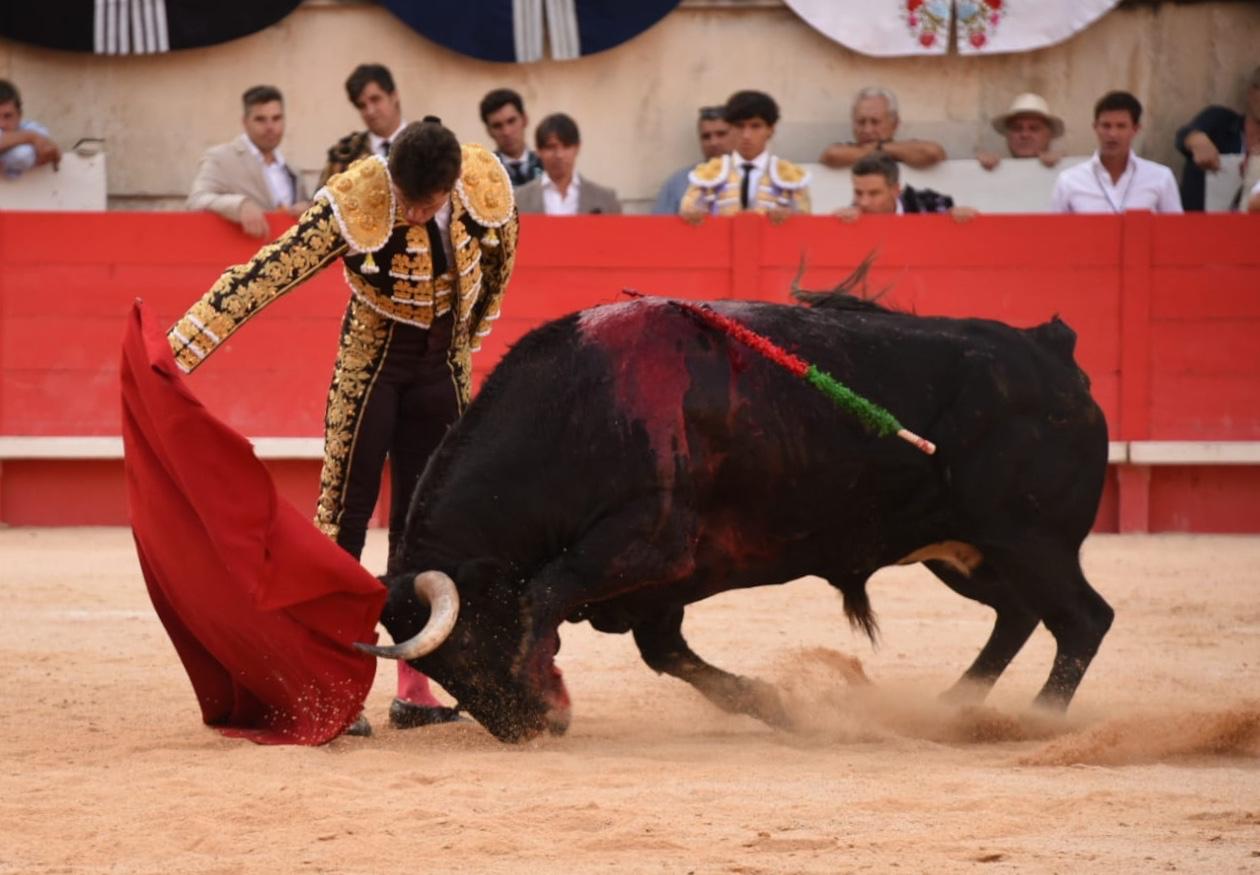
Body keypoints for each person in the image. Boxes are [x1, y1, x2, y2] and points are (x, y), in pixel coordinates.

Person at [167, 119, 519, 733]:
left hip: (441, 369)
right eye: (404, 199)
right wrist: (180, 350)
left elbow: (498, 265)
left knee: (430, 527)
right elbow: (267, 273)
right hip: (373, 364)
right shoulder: (356, 198)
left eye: (424, 204)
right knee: (343, 522)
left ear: (451, 187)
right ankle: (335, 689)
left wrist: (464, 341)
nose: (410, 212)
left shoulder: (483, 183)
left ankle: (417, 690)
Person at [187, 85, 311, 239]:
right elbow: (196, 200)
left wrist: (307, 208)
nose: (270, 127)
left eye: (276, 118)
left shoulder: (292, 170)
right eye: (260, 119)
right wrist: (239, 205)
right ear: (245, 122)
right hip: (238, 256)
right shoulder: (220, 158)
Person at [679, 90, 810, 223]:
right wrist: (693, 214)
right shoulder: (708, 174)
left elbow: (804, 225)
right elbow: (689, 217)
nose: (746, 135)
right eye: (739, 126)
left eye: (755, 126)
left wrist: (790, 217)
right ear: (730, 128)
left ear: (770, 130)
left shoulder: (790, 178)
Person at [1051, 91, 1182, 214]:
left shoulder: (1160, 177)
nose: (1112, 134)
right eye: (1106, 126)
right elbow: (1055, 232)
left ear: (1135, 129)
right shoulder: (1069, 180)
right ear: (1095, 127)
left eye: (1121, 126)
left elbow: (1174, 231)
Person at [1174, 65, 1260, 211]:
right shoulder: (1220, 120)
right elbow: (1183, 136)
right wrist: (1196, 140)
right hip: (1198, 225)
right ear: (1251, 92)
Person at [318, 63, 406, 188]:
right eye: (362, 105)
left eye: (375, 99)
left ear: (394, 96)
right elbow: (322, 203)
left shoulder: (427, 145)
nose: (370, 111)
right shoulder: (344, 153)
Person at [515, 113, 621, 214]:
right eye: (551, 147)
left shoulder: (606, 200)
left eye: (566, 146)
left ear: (577, 147)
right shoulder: (518, 200)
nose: (559, 155)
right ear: (538, 150)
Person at [819, 86, 946, 170]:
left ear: (895, 124)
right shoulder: (847, 149)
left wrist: (880, 148)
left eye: (875, 122)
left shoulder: (906, 149)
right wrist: (876, 150)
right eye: (861, 122)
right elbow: (831, 155)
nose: (867, 130)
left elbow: (933, 153)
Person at [833, 151, 976, 222]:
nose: (864, 202)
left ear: (895, 190)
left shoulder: (931, 206)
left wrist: (964, 219)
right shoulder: (849, 218)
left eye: (874, 193)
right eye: (858, 193)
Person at [652, 105, 733, 215]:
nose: (713, 142)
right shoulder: (679, 183)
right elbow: (658, 228)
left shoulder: (751, 177)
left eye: (721, 134)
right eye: (706, 137)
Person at [977, 92, 1065, 170]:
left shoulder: (1068, 173)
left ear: (1049, 135)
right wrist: (977, 169)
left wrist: (1062, 165)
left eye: (1034, 128)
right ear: (1008, 135)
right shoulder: (994, 171)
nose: (1024, 135)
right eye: (1017, 128)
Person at [479, 88, 543, 187]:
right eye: (497, 126)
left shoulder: (547, 167)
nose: (506, 132)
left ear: (525, 119)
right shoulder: (483, 175)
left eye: (511, 121)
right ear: (489, 131)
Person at [0, 79, 60, 178]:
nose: (1, 124)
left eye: (8, 116)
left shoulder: (28, 127)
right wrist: (31, 137)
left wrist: (49, 149)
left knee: (23, 153)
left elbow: (48, 147)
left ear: (19, 115)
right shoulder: (30, 134)